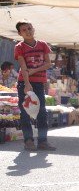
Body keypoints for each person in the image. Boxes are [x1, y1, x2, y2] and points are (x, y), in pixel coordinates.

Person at [14, 20, 56, 151]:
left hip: (39, 83)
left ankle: (43, 141)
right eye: (24, 30)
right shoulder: (19, 47)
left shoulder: (43, 45)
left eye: (29, 28)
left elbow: (49, 64)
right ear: (20, 33)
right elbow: (23, 66)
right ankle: (28, 141)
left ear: (33, 29)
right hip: (24, 83)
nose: (28, 31)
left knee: (41, 112)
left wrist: (34, 71)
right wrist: (27, 84)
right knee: (25, 112)